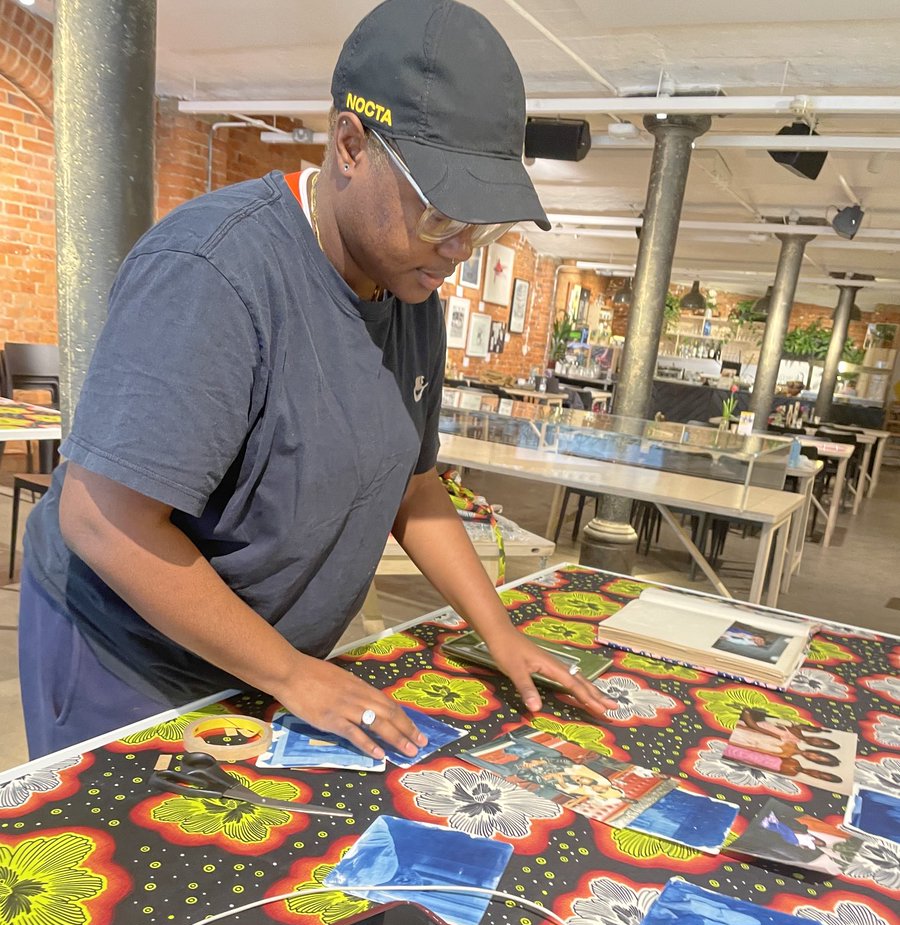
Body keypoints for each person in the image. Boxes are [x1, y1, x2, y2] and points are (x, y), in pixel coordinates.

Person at [20, 0, 613, 759]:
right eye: (440, 216)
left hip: (263, 663)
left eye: (483, 228)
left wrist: (498, 633)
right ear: (349, 145)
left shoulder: (409, 284)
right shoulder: (213, 274)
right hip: (132, 659)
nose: (460, 249)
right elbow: (103, 521)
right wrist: (293, 676)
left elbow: (412, 484)